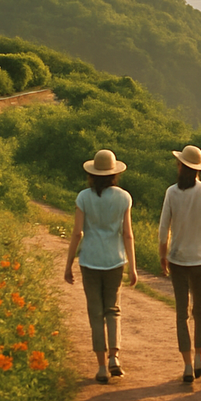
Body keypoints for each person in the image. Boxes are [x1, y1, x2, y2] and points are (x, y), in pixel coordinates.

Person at [64, 149, 138, 384]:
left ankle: (101, 367)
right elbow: (128, 235)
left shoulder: (83, 197)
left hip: (90, 260)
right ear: (114, 174)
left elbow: (77, 233)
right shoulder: (124, 197)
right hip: (115, 260)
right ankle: (115, 357)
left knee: (95, 313)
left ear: (93, 174)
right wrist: (133, 266)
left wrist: (68, 264)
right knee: (113, 309)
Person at [158, 144, 201, 383]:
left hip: (177, 258)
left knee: (181, 312)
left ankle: (186, 365)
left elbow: (164, 227)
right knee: (200, 308)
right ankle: (199, 359)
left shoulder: (172, 192)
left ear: (180, 166)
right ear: (198, 170)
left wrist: (162, 254)